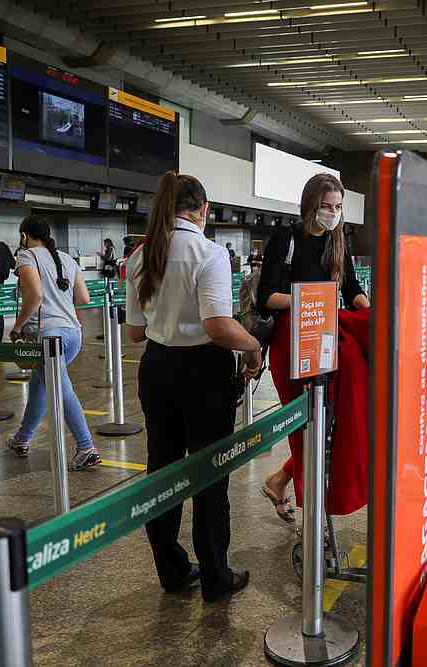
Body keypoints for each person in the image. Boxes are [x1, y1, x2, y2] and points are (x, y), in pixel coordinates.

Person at [125, 172, 261, 602]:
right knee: (210, 475)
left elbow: (134, 332)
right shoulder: (209, 252)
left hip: (158, 369)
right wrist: (254, 345)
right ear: (203, 209)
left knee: (162, 471)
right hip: (204, 374)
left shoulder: (140, 256)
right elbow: (218, 326)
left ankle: (172, 570)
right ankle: (216, 577)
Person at [258, 173, 369, 522]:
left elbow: (351, 290)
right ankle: (311, 513)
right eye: (326, 206)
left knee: (330, 421)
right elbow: (266, 297)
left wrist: (376, 316)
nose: (333, 213)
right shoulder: (285, 238)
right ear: (310, 205)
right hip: (293, 342)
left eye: (337, 207)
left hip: (326, 337)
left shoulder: (337, 241)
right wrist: (310, 301)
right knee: (306, 427)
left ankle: (280, 480)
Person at [6, 216, 101, 471]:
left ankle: (86, 447)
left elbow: (35, 295)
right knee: (40, 384)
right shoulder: (67, 259)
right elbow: (83, 297)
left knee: (60, 389)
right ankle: (22, 439)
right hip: (73, 334)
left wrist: (16, 327)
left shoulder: (27, 257)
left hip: (48, 336)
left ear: (24, 236)